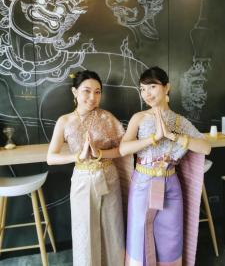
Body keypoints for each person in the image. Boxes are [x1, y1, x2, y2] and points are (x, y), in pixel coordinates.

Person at [119, 66, 211, 266]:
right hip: (143, 182)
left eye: (152, 87)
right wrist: (154, 138)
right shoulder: (139, 117)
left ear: (167, 87)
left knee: (171, 237)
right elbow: (123, 149)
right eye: (142, 89)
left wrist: (172, 136)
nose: (147, 94)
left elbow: (205, 147)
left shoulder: (180, 122)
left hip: (170, 185)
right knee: (139, 235)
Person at [47, 70, 133, 266]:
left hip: (109, 176)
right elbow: (51, 157)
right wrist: (77, 156)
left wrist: (100, 154)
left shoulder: (107, 118)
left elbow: (123, 150)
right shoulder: (64, 121)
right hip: (82, 179)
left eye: (97, 92)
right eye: (86, 91)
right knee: (84, 231)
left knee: (113, 228)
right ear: (74, 92)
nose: (92, 97)